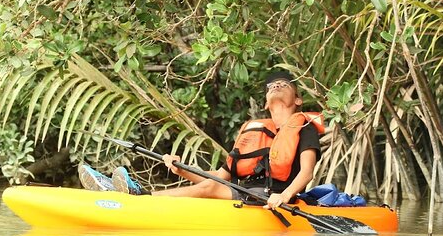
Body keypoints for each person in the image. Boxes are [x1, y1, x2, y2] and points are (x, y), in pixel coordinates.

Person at [111, 70, 323, 210]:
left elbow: (306, 173)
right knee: (211, 185)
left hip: (275, 199)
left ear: (298, 99)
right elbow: (221, 177)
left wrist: (283, 196)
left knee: (210, 189)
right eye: (271, 86)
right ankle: (141, 198)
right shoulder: (255, 133)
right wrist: (181, 169)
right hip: (248, 194)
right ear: (266, 103)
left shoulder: (304, 128)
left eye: (283, 84)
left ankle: (142, 198)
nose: (276, 86)